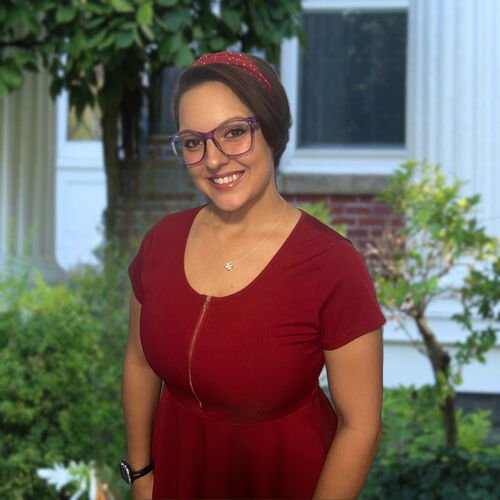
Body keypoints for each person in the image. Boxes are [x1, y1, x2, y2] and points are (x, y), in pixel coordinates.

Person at [120, 51, 386, 500]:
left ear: (272, 131)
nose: (214, 160)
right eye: (193, 142)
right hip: (175, 480)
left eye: (234, 133)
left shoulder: (331, 264)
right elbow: (139, 362)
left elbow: (361, 426)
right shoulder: (160, 243)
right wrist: (142, 475)